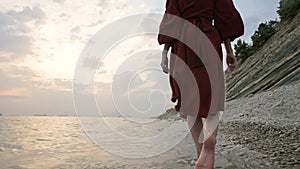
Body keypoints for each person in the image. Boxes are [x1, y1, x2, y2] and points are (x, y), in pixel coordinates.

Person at [157, 0, 244, 168]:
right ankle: (209, 144)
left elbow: (172, 21)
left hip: (184, 43)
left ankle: (200, 153)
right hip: (209, 39)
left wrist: (164, 54)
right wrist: (229, 51)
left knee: (191, 102)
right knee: (212, 93)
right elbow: (224, 17)